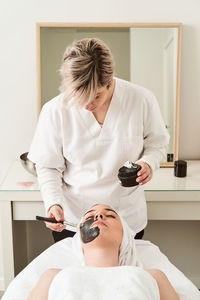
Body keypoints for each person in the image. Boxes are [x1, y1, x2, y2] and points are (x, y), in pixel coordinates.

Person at [28, 37, 170, 242]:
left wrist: (148, 163)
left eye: (95, 96)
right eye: (78, 95)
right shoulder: (54, 110)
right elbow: (48, 166)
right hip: (74, 222)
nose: (86, 105)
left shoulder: (141, 100)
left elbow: (156, 144)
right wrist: (53, 203)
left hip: (126, 221)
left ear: (110, 80)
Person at [3, 204, 200, 300]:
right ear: (79, 236)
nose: (98, 215)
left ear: (125, 236)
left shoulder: (154, 276)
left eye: (110, 216)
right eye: (90, 215)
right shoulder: (52, 276)